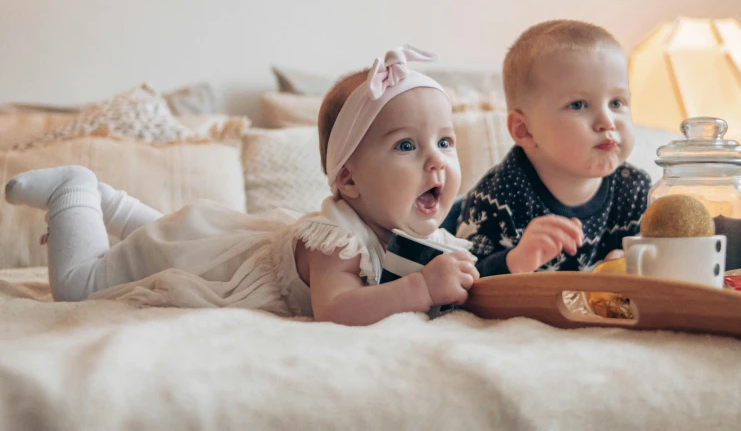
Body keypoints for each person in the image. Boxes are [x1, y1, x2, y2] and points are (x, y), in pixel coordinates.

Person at [5, 45, 479, 326]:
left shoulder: (413, 231)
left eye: (444, 141)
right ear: (349, 179)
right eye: (406, 147)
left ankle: (107, 204)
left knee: (165, 238)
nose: (436, 161)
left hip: (214, 247)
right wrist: (420, 290)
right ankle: (73, 192)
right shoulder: (337, 244)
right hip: (212, 273)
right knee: (84, 285)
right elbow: (337, 309)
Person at [456, 20, 651, 275]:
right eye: (578, 105)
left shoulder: (636, 189)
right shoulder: (496, 198)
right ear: (524, 130)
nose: (607, 121)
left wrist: (635, 264)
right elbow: (460, 281)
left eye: (617, 102)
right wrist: (515, 261)